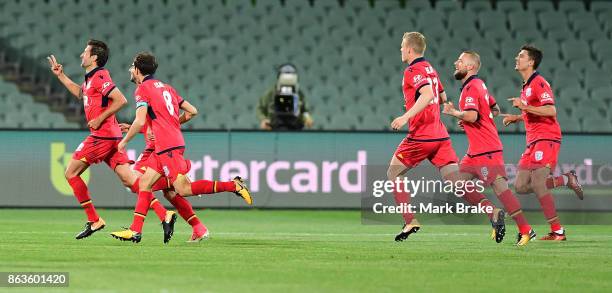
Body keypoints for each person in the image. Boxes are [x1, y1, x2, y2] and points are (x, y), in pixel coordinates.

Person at [110, 52, 252, 243]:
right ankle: (136, 230)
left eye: (131, 66)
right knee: (145, 184)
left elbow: (140, 119)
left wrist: (124, 142)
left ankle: (233, 185)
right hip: (169, 144)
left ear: (137, 69)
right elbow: (192, 111)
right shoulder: (167, 88)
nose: (129, 70)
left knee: (182, 189)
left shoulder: (142, 89)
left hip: (167, 147)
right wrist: (169, 125)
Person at [47, 40, 175, 240]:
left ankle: (94, 219)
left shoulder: (100, 76)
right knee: (131, 180)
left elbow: (121, 100)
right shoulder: (90, 79)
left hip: (102, 136)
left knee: (70, 173)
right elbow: (81, 93)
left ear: (94, 57)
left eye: (85, 52)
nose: (82, 55)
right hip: (112, 136)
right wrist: (61, 75)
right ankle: (164, 214)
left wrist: (99, 118)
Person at [443, 51, 535, 246]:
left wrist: (455, 113)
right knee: (456, 183)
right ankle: (493, 213)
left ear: (470, 66)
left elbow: (473, 116)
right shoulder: (479, 85)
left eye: (460, 61)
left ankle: (526, 230)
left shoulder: (471, 87)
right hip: (475, 151)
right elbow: (494, 110)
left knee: (502, 190)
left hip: (487, 150)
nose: (455, 63)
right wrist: (470, 119)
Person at [503, 45, 584, 241]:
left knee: (538, 183)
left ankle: (557, 231)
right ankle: (565, 179)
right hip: (532, 141)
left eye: (521, 56)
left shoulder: (539, 82)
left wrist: (524, 106)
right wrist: (518, 116)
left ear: (531, 62)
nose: (517, 58)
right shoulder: (526, 86)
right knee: (521, 186)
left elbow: (550, 111)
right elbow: (534, 110)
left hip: (547, 138)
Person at [388, 32, 463, 242]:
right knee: (457, 182)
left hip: (421, 135)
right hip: (440, 134)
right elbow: (442, 98)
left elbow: (429, 95)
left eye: (402, 46)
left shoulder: (413, 70)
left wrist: (406, 115)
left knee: (394, 173)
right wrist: (417, 104)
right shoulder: (430, 68)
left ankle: (410, 220)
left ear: (410, 49)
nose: (401, 50)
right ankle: (492, 211)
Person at [119, 121, 209, 243]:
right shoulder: (153, 107)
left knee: (137, 183)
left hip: (156, 151)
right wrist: (133, 127)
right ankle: (198, 228)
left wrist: (133, 131)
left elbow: (155, 120)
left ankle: (162, 216)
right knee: (170, 193)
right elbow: (150, 122)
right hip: (161, 149)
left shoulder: (149, 102)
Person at [257, 63, 313, 130]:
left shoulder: (299, 94)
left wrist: (307, 118)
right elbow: (260, 108)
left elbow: (304, 110)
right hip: (275, 126)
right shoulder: (271, 93)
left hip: (295, 126)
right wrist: (264, 119)